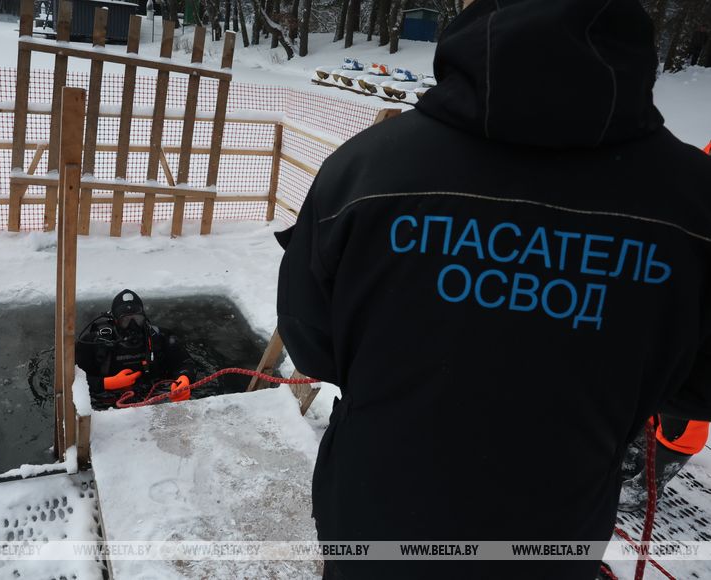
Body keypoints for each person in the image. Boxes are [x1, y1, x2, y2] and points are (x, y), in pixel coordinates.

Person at [275, 1, 711, 578]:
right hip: (552, 528)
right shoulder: (693, 201)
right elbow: (698, 388)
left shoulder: (368, 168)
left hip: (377, 512)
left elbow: (311, 341)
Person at [75, 289, 195, 409]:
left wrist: (184, 379)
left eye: (137, 319)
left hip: (155, 393)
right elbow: (71, 379)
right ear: (115, 320)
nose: (132, 325)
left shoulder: (160, 337)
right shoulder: (94, 343)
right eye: (125, 320)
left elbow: (185, 363)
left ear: (144, 318)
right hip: (108, 401)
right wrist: (106, 383)